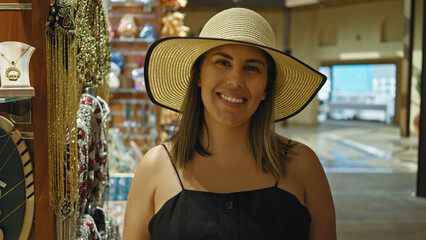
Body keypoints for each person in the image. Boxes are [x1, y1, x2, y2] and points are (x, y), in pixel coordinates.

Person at [123, 7, 336, 240]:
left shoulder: (303, 166)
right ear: (198, 76)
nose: (235, 80)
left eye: (252, 68)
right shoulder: (156, 166)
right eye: (222, 62)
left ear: (266, 87)